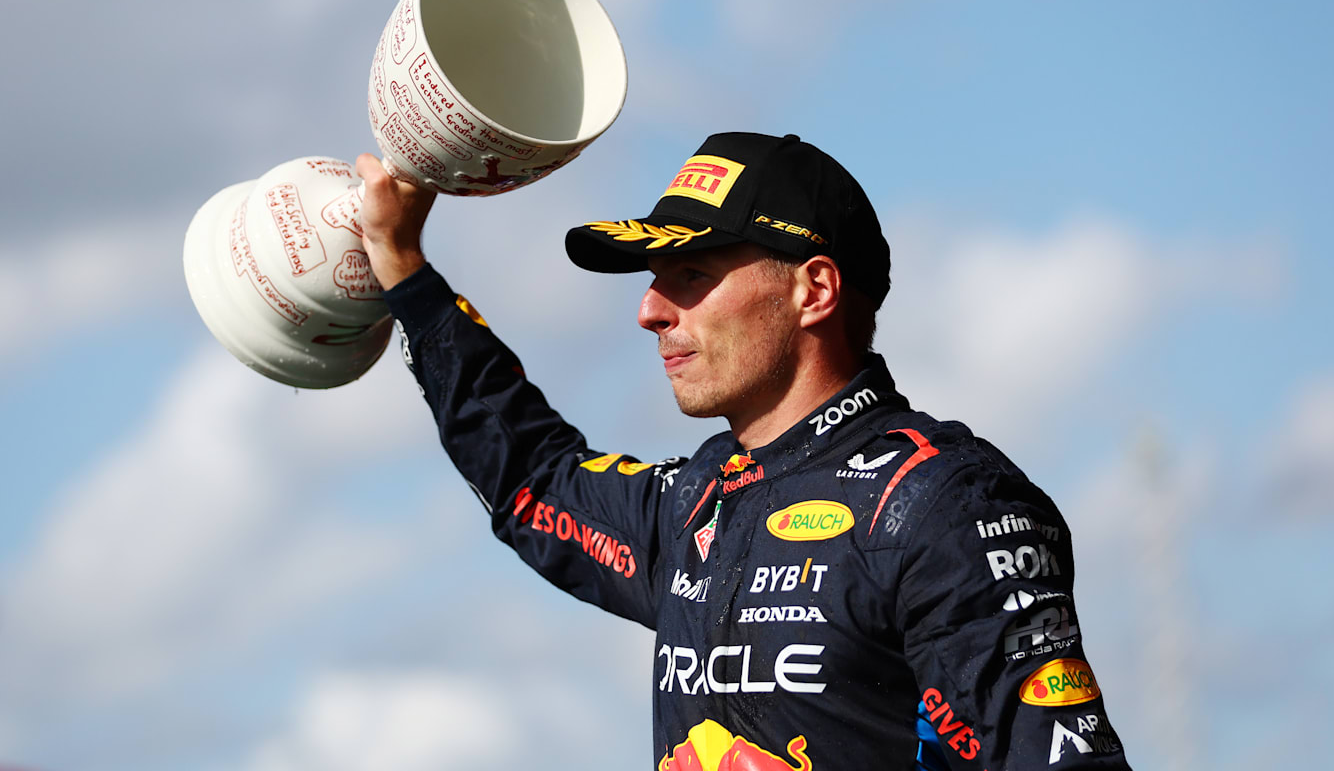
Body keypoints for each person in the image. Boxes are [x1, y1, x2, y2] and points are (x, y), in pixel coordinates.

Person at [357, 132, 1130, 770]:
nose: (650, 311)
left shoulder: (940, 506)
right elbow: (532, 478)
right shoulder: (693, 501)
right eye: (655, 280)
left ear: (814, 290)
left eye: (691, 275)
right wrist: (406, 271)